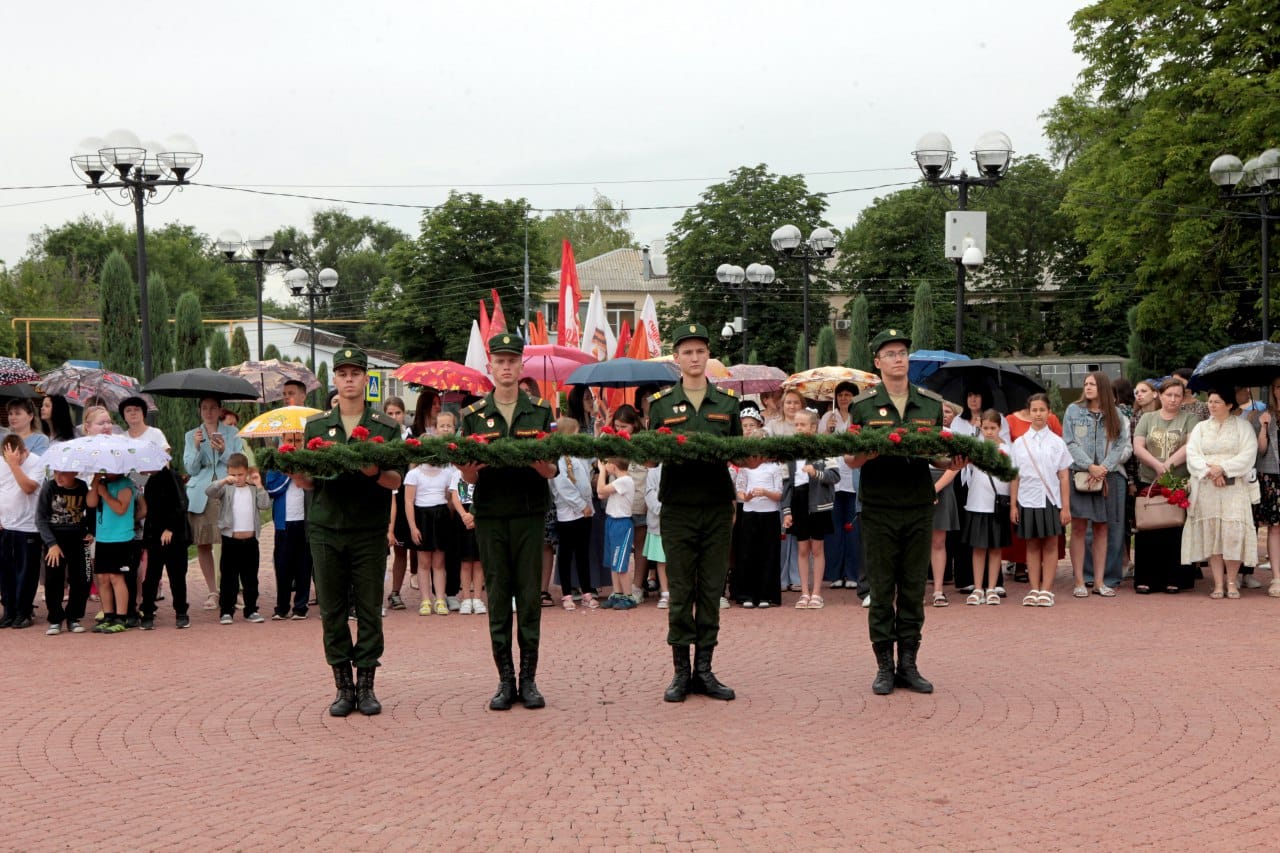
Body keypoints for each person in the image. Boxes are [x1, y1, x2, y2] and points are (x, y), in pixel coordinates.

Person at [292, 347, 403, 717]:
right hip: (326, 528)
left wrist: (374, 472)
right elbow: (310, 483)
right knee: (332, 610)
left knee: (369, 608)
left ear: (366, 379)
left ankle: (367, 685)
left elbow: (396, 479)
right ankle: (343, 687)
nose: (349, 379)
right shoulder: (316, 427)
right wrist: (296, 473)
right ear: (335, 379)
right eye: (343, 373)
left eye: (356, 373)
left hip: (368, 530)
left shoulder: (385, 426)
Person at [844, 329, 956, 696]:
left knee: (912, 589)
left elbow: (939, 455)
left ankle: (908, 663)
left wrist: (954, 459)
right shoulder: (863, 405)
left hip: (918, 506)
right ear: (877, 362)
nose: (898, 359)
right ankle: (884, 666)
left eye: (902, 353)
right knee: (881, 589)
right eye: (890, 353)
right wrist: (869, 451)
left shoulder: (929, 403)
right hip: (879, 507)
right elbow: (850, 458)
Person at [647, 323, 746, 703]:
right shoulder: (660, 404)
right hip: (678, 508)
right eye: (687, 352)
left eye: (700, 351)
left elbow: (738, 453)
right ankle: (680, 673)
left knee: (710, 590)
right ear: (676, 358)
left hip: (717, 507)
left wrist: (752, 457)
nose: (694, 357)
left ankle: (704, 670)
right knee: (680, 591)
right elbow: (650, 455)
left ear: (708, 356)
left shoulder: (727, 403)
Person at [458, 333, 556, 711]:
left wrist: (539, 464)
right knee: (498, 595)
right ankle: (504, 680)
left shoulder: (540, 411)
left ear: (521, 365)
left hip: (529, 512)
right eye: (499, 361)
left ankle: (528, 680)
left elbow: (552, 469)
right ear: (491, 367)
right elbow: (468, 475)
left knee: (529, 596)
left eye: (512, 361)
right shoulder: (473, 415)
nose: (506, 367)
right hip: (492, 514)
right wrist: (468, 470)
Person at [1183, 389, 1259, 599]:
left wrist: (1223, 468)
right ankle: (1217, 583)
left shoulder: (1242, 427)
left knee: (1232, 533)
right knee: (1213, 533)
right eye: (1210, 401)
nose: (1212, 405)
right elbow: (1192, 454)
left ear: (1229, 405)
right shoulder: (1200, 427)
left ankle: (1232, 582)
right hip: (1207, 487)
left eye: (1217, 402)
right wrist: (1211, 471)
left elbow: (1248, 453)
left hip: (1234, 488)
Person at [1064, 372, 1130, 597]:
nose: (1088, 387)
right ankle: (1080, 581)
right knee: (1079, 528)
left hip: (1106, 477)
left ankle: (1100, 582)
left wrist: (1104, 467)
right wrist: (1089, 466)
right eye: (1086, 384)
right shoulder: (1073, 410)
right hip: (1080, 475)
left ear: (1102, 387)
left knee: (1102, 528)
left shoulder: (1116, 414)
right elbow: (1069, 441)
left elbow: (1121, 443)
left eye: (1092, 384)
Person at [1132, 379, 1201, 595]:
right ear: (1160, 395)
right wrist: (1156, 465)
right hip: (1149, 481)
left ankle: (1175, 578)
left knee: (1175, 529)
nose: (1173, 399)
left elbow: (1191, 445)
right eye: (1169, 395)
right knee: (1149, 528)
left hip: (1178, 481)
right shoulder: (1147, 418)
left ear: (1183, 397)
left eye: (1177, 395)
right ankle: (1146, 579)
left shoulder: (1190, 418)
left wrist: (1168, 465)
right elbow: (1138, 446)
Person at [1009, 394, 1072, 607]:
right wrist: (1013, 505)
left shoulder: (1057, 443)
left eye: (1042, 410)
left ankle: (1046, 590)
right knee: (1032, 544)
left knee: (1051, 543)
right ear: (1029, 412)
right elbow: (1015, 476)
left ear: (1049, 412)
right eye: (1034, 410)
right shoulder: (1019, 443)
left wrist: (1065, 507)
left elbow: (1064, 476)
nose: (1038, 414)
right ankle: (1034, 589)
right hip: (1027, 500)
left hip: (1051, 499)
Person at [184, 397, 246, 612]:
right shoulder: (191, 435)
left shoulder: (232, 433)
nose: (208, 412)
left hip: (227, 491)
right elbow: (191, 469)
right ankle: (213, 591)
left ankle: (232, 589)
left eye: (212, 408)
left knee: (231, 542)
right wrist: (196, 447)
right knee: (204, 543)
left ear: (220, 410)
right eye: (204, 408)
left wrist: (223, 451)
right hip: (201, 494)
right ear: (199, 411)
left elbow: (240, 463)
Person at [781, 409, 839, 610]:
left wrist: (816, 472)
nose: (798, 428)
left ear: (813, 427)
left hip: (818, 503)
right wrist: (786, 510)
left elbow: (835, 476)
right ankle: (804, 593)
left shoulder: (824, 448)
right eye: (796, 424)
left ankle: (816, 593)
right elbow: (786, 483)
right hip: (798, 501)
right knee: (803, 548)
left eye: (802, 425)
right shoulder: (790, 451)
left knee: (817, 548)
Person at [206, 453, 269, 624]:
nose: (237, 478)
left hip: (250, 541)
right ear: (228, 473)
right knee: (229, 577)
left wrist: (259, 485)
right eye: (233, 474)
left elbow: (265, 505)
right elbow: (209, 491)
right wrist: (223, 481)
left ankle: (251, 610)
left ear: (247, 472)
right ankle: (226, 611)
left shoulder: (253, 489)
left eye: (240, 474)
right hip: (230, 540)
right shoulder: (226, 489)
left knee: (251, 578)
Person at [36, 464, 99, 634]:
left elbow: (91, 510)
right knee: (53, 580)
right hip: (55, 541)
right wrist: (51, 544)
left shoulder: (82, 486)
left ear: (75, 472)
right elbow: (40, 518)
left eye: (63, 473)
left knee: (83, 579)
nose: (58, 476)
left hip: (78, 538)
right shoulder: (49, 487)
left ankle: (73, 617)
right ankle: (55, 619)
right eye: (56, 472)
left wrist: (91, 531)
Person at [733, 406, 782, 609]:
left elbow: (779, 493)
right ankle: (746, 594)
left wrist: (766, 493)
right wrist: (748, 496)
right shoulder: (746, 467)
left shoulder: (775, 467)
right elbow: (740, 490)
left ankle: (766, 594)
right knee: (747, 554)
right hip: (750, 513)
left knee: (768, 554)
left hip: (769, 514)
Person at [962, 410, 1013, 606]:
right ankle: (977, 588)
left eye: (993, 428)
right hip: (977, 503)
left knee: (995, 548)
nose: (989, 432)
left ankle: (991, 588)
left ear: (1000, 428)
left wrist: (1013, 503)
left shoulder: (1008, 449)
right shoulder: (974, 448)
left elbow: (1012, 477)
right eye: (986, 428)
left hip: (998, 505)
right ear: (980, 427)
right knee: (978, 548)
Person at [0, 435, 48, 629]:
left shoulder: (37, 462)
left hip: (29, 528)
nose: (10, 460)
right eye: (6, 457)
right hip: (5, 526)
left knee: (26, 573)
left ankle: (24, 611)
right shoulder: (2, 462)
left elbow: (28, 488)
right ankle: (9, 611)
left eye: (15, 456)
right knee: (6, 572)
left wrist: (14, 465)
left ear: (24, 451)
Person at [266, 434, 313, 621]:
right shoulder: (276, 464)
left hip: (304, 521)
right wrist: (288, 475)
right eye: (289, 441)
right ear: (283, 442)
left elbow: (314, 486)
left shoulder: (308, 461)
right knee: (283, 564)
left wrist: (300, 473)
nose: (294, 444)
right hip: (284, 523)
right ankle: (282, 607)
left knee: (304, 565)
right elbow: (271, 489)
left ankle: (301, 606)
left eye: (298, 440)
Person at [551, 417, 596, 610]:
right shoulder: (558, 459)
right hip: (569, 513)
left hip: (585, 512)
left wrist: (598, 431)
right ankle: (567, 594)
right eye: (576, 434)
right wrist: (580, 505)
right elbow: (563, 486)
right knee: (566, 554)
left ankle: (586, 591)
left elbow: (594, 455)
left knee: (583, 552)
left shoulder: (579, 454)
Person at [140, 463, 191, 629]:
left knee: (177, 576)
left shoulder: (173, 477)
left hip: (174, 536)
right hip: (155, 536)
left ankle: (181, 612)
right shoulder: (151, 481)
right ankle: (148, 612)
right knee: (151, 577)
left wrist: (170, 528)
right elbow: (150, 510)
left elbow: (182, 504)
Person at [405, 452, 455, 617]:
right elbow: (409, 502)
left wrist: (449, 517)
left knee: (439, 563)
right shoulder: (414, 474)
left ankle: (440, 599)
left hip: (441, 517)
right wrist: (413, 527)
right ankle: (425, 600)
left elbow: (449, 498)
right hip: (422, 518)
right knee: (424, 563)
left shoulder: (446, 473)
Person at [90, 470, 138, 633]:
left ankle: (121, 617)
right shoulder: (102, 483)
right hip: (103, 537)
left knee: (116, 577)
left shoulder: (125, 484)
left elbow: (121, 509)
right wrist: (95, 483)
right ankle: (108, 615)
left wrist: (105, 494)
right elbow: (91, 503)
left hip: (121, 537)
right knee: (102, 578)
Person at [1251, 376, 1280, 598]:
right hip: (1271, 476)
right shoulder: (1264, 415)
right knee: (1275, 527)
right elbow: (1260, 450)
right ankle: (1277, 578)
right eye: (1279, 387)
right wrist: (1263, 426)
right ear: (1273, 390)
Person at [597, 458, 637, 610]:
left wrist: (601, 471)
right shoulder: (618, 481)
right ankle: (618, 593)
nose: (605, 465)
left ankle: (629, 597)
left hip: (622, 524)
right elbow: (601, 495)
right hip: (611, 521)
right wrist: (604, 472)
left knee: (620, 562)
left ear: (614, 466)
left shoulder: (625, 480)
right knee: (613, 562)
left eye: (607, 463)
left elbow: (600, 490)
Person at [447, 459, 486, 615]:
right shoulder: (457, 475)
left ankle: (477, 598)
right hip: (463, 519)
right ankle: (466, 598)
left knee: (478, 562)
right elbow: (455, 497)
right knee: (465, 562)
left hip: (480, 517)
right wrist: (464, 515)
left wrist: (474, 515)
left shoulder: (483, 474)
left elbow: (485, 496)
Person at [643, 463, 670, 609]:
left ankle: (680, 592)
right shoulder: (653, 472)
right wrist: (664, 510)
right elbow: (649, 494)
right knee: (661, 559)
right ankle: (665, 593)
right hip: (659, 523)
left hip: (679, 523)